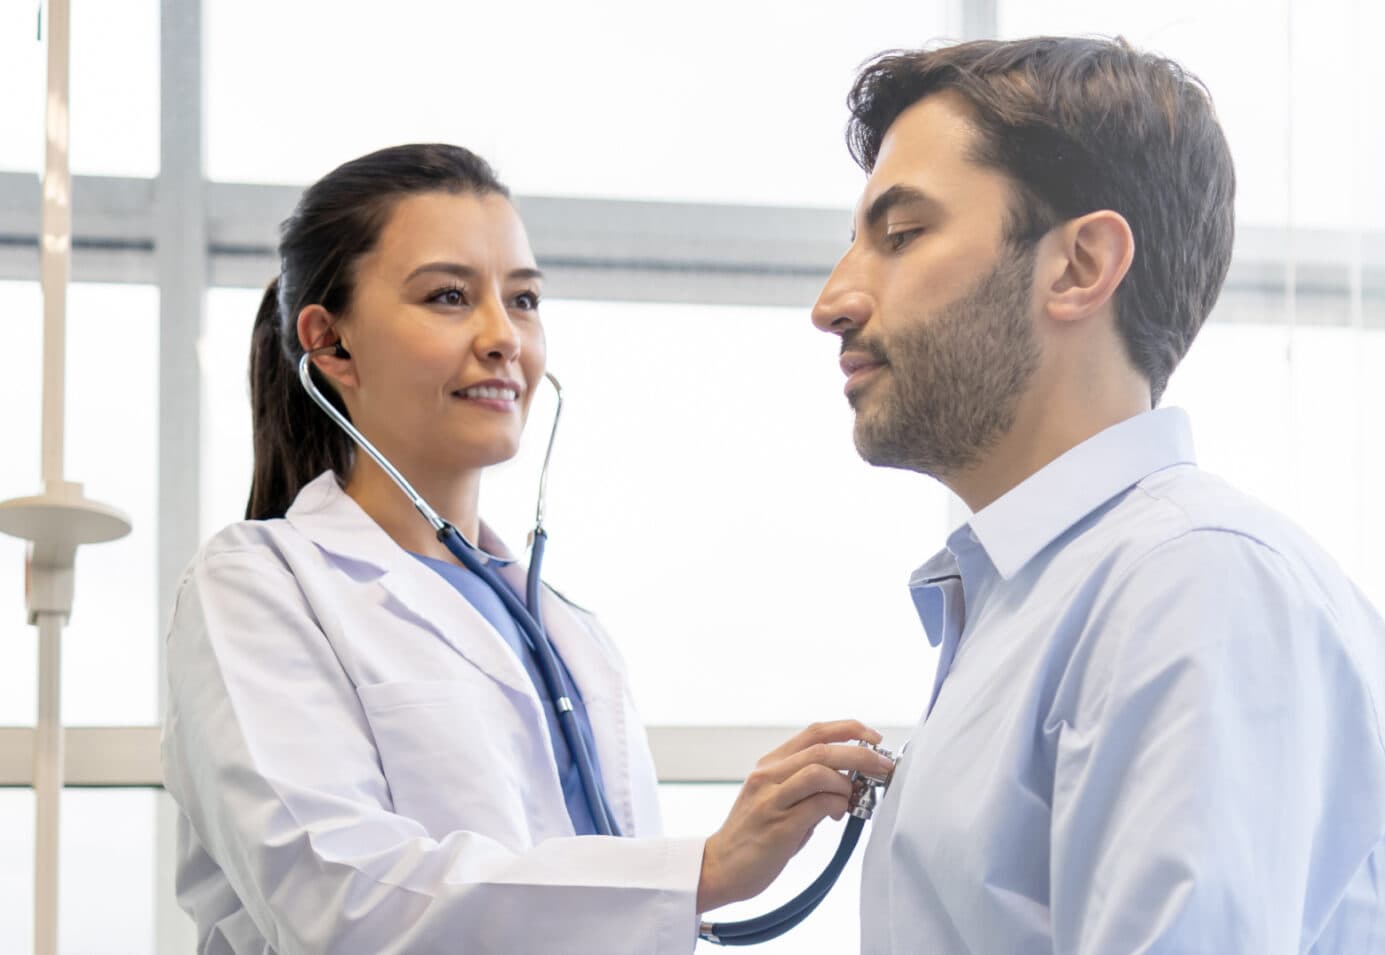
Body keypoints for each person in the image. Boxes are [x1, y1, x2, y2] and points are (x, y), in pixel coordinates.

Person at [161, 143, 892, 952]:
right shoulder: (259, 587)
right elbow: (343, 901)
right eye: (448, 296)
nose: (503, 336)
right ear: (331, 345)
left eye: (525, 298)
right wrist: (709, 866)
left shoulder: (572, 634)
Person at [811, 37, 1385, 952]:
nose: (834, 299)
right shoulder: (1061, 601)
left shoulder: (1190, 581)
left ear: (1079, 266)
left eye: (902, 235)